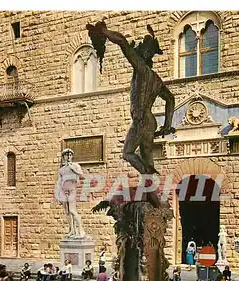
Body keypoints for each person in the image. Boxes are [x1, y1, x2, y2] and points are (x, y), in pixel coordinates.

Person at [86, 21, 175, 179]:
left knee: (127, 153)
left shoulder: (140, 68)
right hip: (150, 121)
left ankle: (149, 176)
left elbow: (122, 42)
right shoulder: (156, 78)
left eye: (140, 49)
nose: (136, 50)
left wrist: (104, 31)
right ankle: (151, 190)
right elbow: (170, 99)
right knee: (147, 155)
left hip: (141, 120)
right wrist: (167, 125)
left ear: (145, 54)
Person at [55, 148, 85, 238]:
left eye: (70, 155)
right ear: (63, 157)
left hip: (72, 189)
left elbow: (81, 174)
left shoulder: (75, 166)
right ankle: (72, 230)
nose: (68, 157)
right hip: (64, 191)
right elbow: (59, 182)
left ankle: (81, 230)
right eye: (66, 155)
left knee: (72, 210)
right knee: (67, 212)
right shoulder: (62, 169)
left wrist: (74, 170)